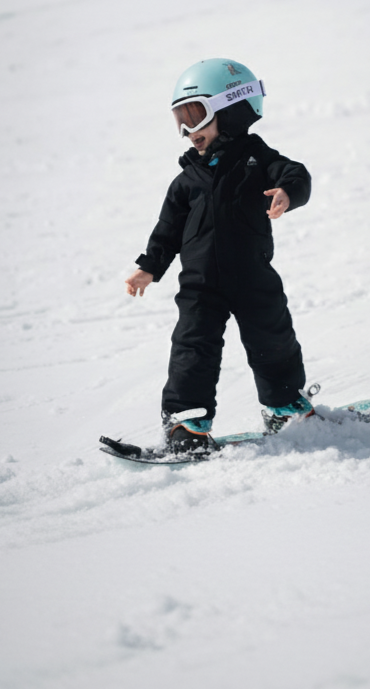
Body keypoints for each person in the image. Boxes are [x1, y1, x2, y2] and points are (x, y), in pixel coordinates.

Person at [125, 58, 314, 453]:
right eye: (180, 119)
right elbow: (167, 231)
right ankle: (186, 423)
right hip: (200, 285)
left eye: (195, 116)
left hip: (253, 277)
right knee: (192, 349)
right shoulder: (185, 182)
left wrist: (287, 192)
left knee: (274, 341)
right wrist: (149, 267)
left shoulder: (257, 159)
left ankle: (285, 407)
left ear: (231, 110)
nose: (187, 130)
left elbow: (295, 173)